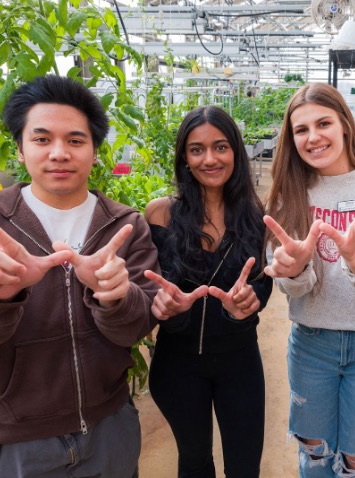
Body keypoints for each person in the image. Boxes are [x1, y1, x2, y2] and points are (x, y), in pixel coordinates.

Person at [0, 75, 161, 478]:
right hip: (18, 439)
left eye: (75, 140)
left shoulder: (124, 224)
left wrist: (114, 297)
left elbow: (137, 327)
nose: (59, 153)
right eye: (42, 139)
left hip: (110, 424)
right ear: (19, 148)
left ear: (95, 151)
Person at [263, 83, 355, 477]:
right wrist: (295, 271)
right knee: (315, 456)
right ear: (291, 140)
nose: (313, 137)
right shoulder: (288, 193)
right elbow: (287, 281)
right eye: (301, 130)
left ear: (345, 124)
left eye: (323, 123)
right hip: (311, 347)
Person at [143, 105, 273, 477]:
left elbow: (264, 285)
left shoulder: (258, 217)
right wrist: (162, 304)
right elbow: (147, 282)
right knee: (194, 461)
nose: (210, 159)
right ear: (184, 156)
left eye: (220, 147)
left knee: (244, 466)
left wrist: (247, 304)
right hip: (178, 363)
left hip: (239, 362)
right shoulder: (160, 214)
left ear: (236, 151)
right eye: (197, 149)